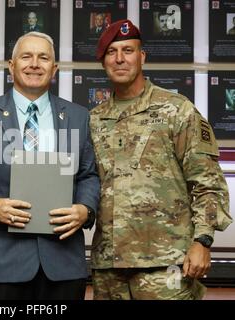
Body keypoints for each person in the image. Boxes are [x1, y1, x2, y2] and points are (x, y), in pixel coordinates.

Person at [0, 31, 100, 300]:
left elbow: (89, 175)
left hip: (61, 263)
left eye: (43, 58)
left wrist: (84, 210)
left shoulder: (78, 116)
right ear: (11, 66)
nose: (34, 64)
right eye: (26, 56)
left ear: (54, 69)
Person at [90, 19, 232, 300]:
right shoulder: (94, 119)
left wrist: (203, 240)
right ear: (103, 61)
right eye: (112, 52)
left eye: (128, 50)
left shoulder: (177, 110)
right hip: (109, 267)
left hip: (166, 263)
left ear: (142, 57)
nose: (120, 59)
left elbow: (207, 182)